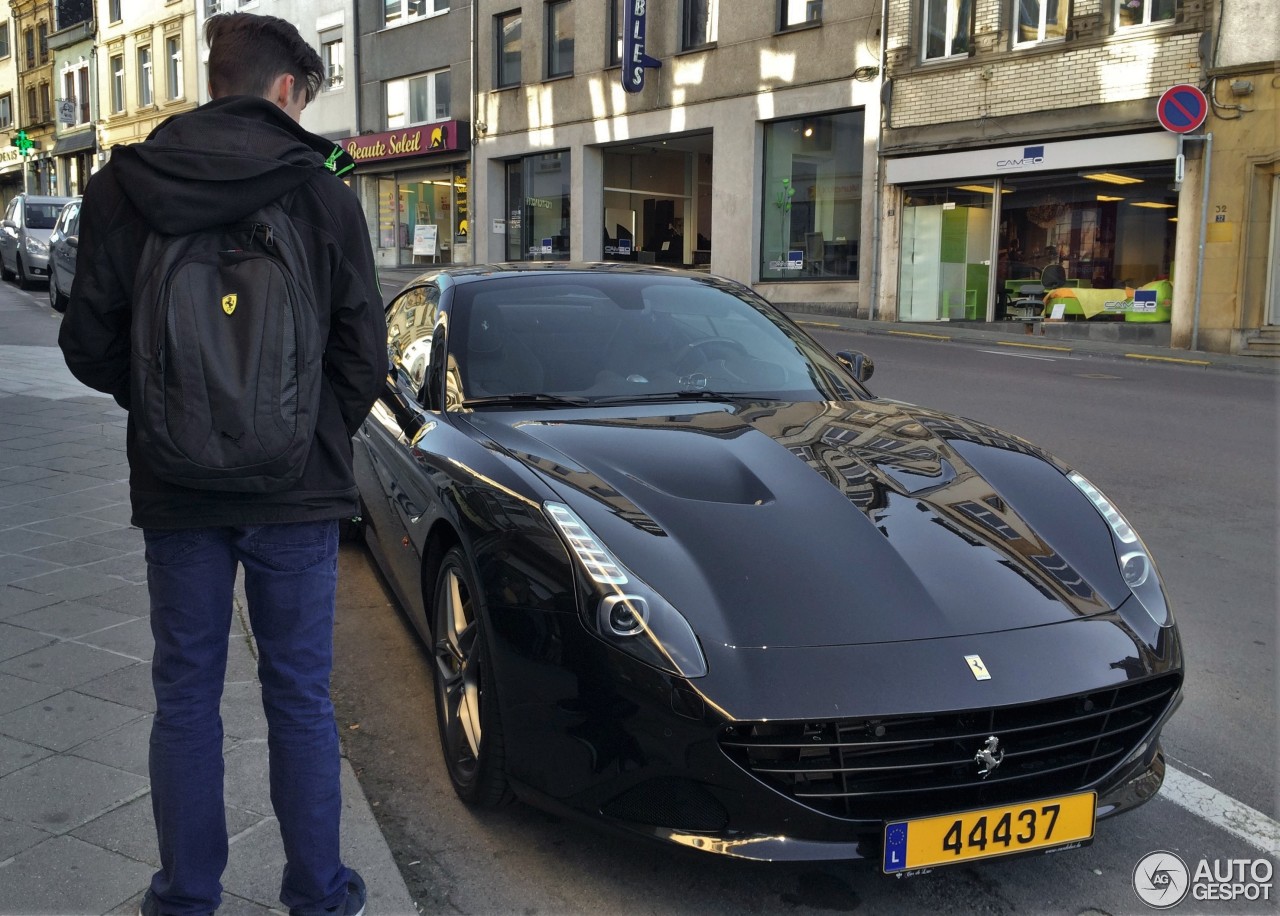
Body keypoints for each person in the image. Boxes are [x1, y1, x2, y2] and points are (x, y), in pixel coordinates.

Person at [58, 13, 386, 916]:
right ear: (286, 89)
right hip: (298, 490)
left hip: (177, 488)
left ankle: (186, 897)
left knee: (186, 696)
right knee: (301, 702)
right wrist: (305, 430)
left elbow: (87, 345)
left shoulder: (125, 184)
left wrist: (172, 408)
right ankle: (319, 894)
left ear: (214, 78)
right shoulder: (322, 190)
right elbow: (365, 355)